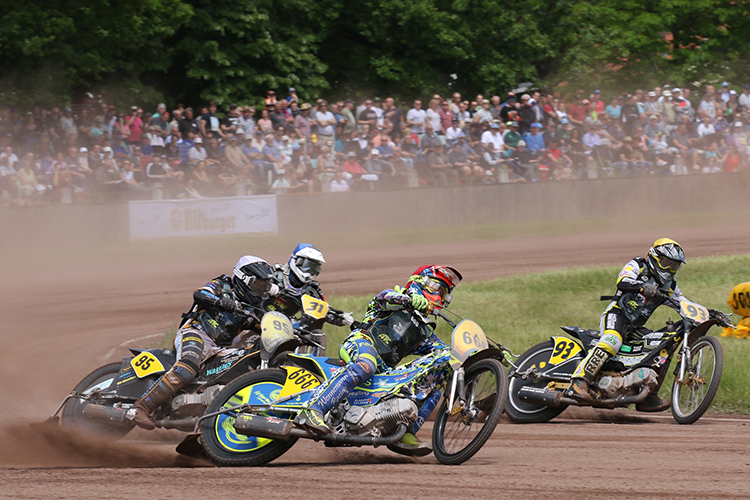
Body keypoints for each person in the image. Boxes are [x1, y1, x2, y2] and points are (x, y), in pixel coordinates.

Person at [293, 265, 463, 456]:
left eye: (443, 294)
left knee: (434, 384)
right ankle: (313, 409)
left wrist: (468, 354)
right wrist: (409, 300)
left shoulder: (424, 331)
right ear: (418, 282)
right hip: (361, 342)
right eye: (436, 287)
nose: (438, 296)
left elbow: (441, 352)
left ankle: (406, 431)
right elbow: (385, 299)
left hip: (384, 370)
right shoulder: (394, 297)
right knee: (366, 364)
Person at [133, 256, 278, 429]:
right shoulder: (223, 284)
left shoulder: (252, 308)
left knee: (246, 362)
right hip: (195, 332)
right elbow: (200, 294)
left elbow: (265, 326)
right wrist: (221, 302)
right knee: (187, 369)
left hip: (218, 349)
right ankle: (142, 408)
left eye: (265, 285)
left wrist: (296, 333)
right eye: (258, 284)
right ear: (245, 279)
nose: (261, 290)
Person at [565, 239, 694, 412]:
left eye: (675, 266)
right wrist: (643, 287)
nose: (670, 269)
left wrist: (710, 313)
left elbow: (684, 305)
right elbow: (622, 281)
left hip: (635, 328)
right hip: (617, 315)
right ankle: (578, 382)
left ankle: (647, 395)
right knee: (612, 341)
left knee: (663, 345)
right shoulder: (639, 264)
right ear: (655, 257)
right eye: (667, 263)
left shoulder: (670, 285)